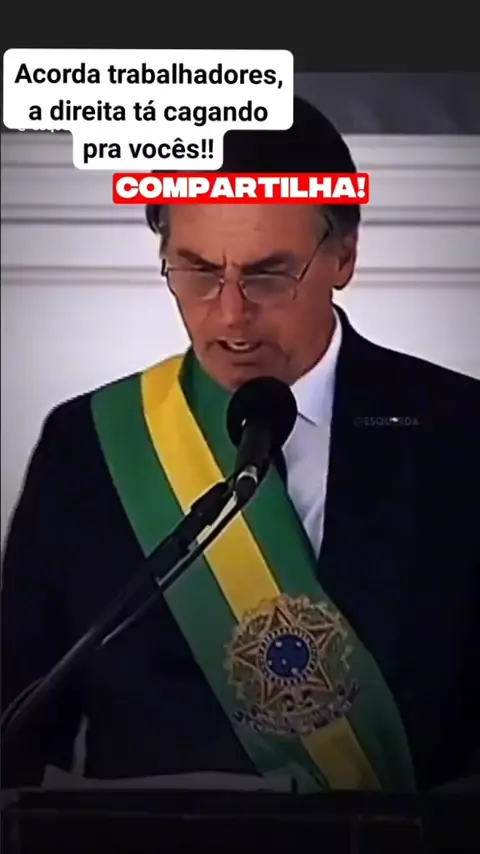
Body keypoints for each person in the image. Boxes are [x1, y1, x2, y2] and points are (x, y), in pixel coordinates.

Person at [2, 96, 479, 794]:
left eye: (268, 274)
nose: (230, 316)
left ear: (344, 256)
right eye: (197, 272)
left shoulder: (462, 432)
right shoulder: (88, 447)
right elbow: (16, 731)